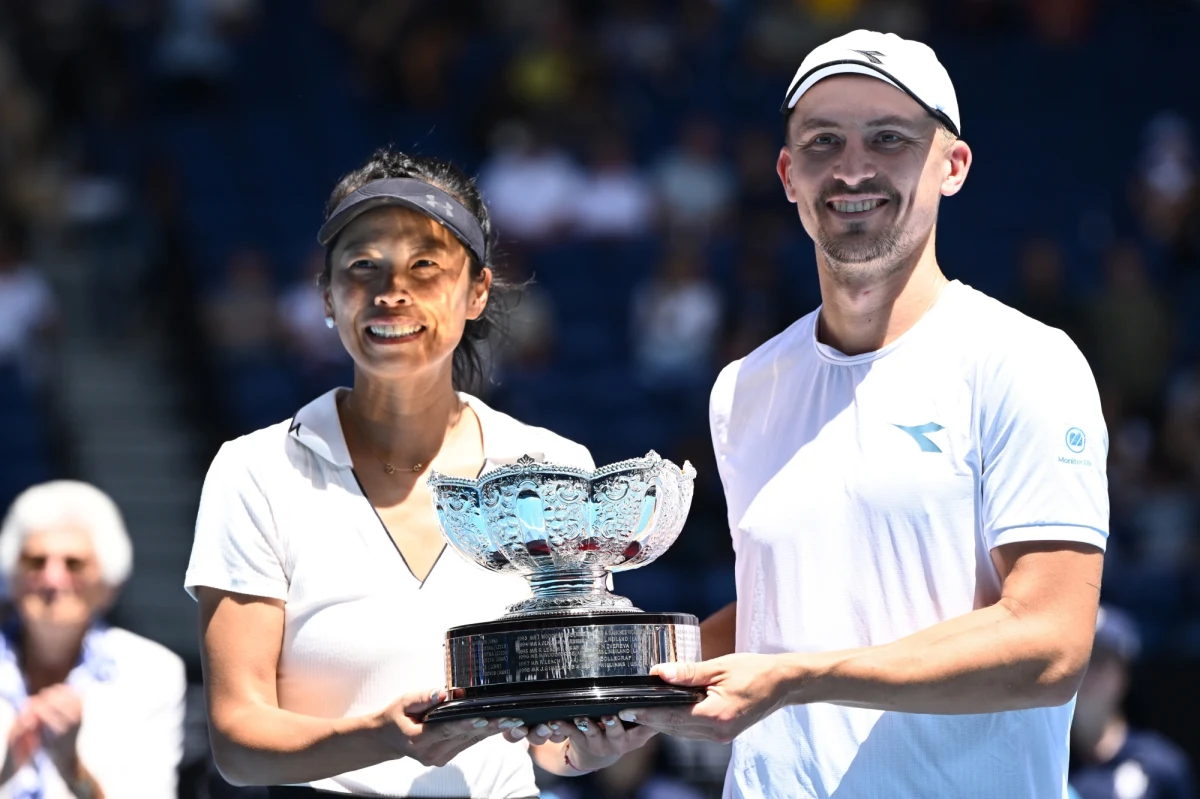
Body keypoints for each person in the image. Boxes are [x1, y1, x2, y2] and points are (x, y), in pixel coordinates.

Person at [620, 30, 1110, 799]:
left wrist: (800, 677)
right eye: (824, 141)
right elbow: (784, 610)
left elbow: (1049, 642)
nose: (852, 169)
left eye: (889, 139)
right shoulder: (742, 388)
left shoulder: (1025, 361)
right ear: (788, 174)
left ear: (953, 165)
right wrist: (623, 694)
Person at [185, 148, 655, 798]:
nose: (391, 292)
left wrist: (586, 746)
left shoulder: (555, 467)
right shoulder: (254, 471)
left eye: (425, 266)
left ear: (477, 291)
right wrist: (382, 736)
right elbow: (239, 741)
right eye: (363, 266)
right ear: (327, 295)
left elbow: (551, 742)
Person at [0, 480, 187, 797]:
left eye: (74, 564)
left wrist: (73, 770)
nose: (52, 579)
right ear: (11, 576)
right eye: (36, 561)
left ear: (110, 583)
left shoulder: (152, 672)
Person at [1070, 605, 1196, 799]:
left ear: (1123, 676)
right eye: (1078, 660)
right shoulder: (1043, 761)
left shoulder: (1161, 766)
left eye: (1098, 659)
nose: (1086, 673)